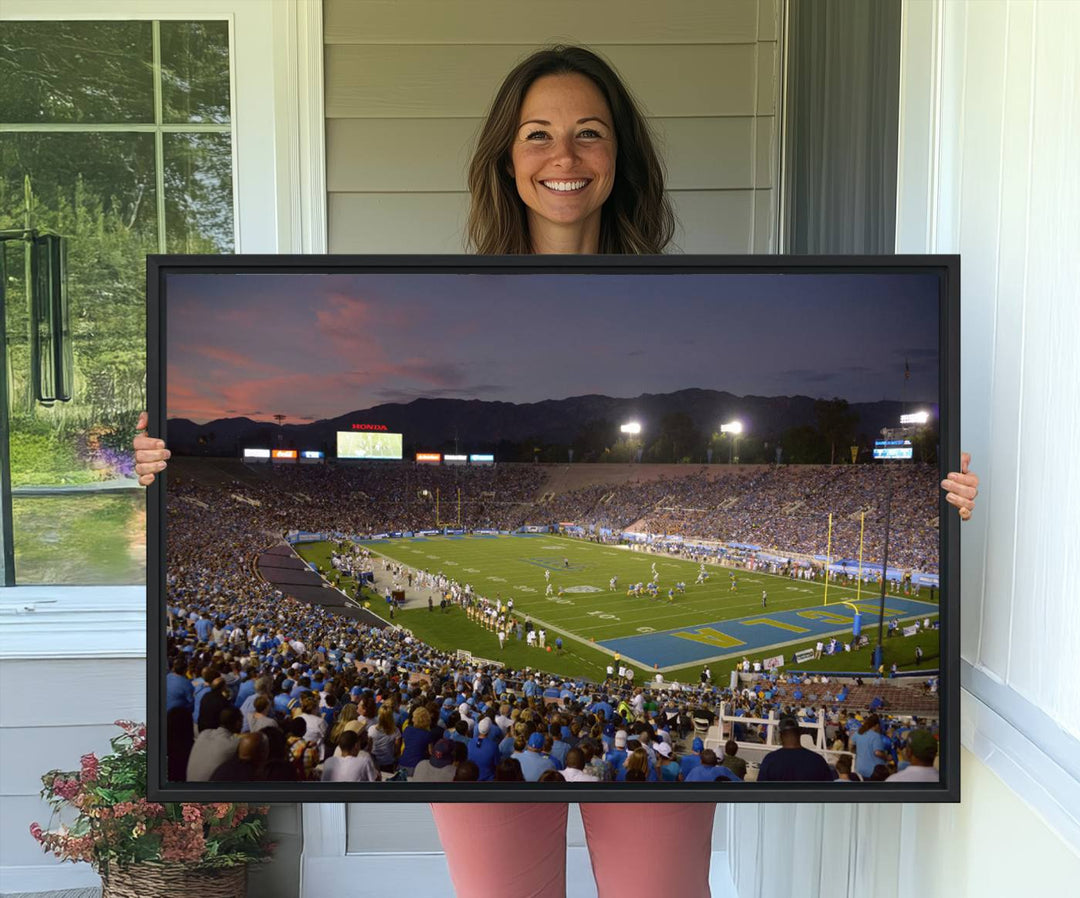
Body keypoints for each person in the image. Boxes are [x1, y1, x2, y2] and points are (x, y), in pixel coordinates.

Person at [134, 43, 980, 898]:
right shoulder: (451, 302)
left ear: (621, 158)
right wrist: (162, 467)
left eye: (589, 133)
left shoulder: (678, 303)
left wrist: (940, 496)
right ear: (506, 157)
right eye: (537, 134)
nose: (563, 157)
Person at [756, 717, 833, 782]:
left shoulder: (770, 760)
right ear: (799, 734)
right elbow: (829, 793)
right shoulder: (818, 760)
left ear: (780, 736)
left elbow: (760, 792)